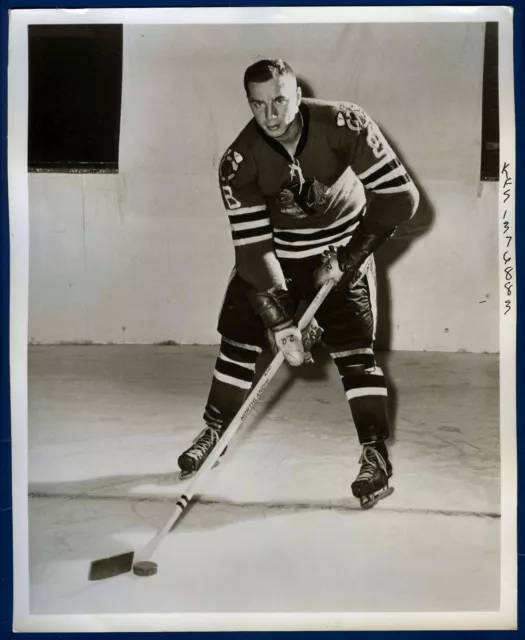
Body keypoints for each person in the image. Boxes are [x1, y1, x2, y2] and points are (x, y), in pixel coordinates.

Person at [177, 58, 419, 508]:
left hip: (341, 247)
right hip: (277, 255)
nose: (270, 115)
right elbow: (252, 250)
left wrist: (346, 260)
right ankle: (216, 430)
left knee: (355, 352)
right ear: (249, 104)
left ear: (298, 93)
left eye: (280, 100)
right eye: (258, 104)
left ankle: (375, 455)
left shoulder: (345, 123)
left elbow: (400, 199)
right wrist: (282, 319)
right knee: (238, 339)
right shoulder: (238, 161)